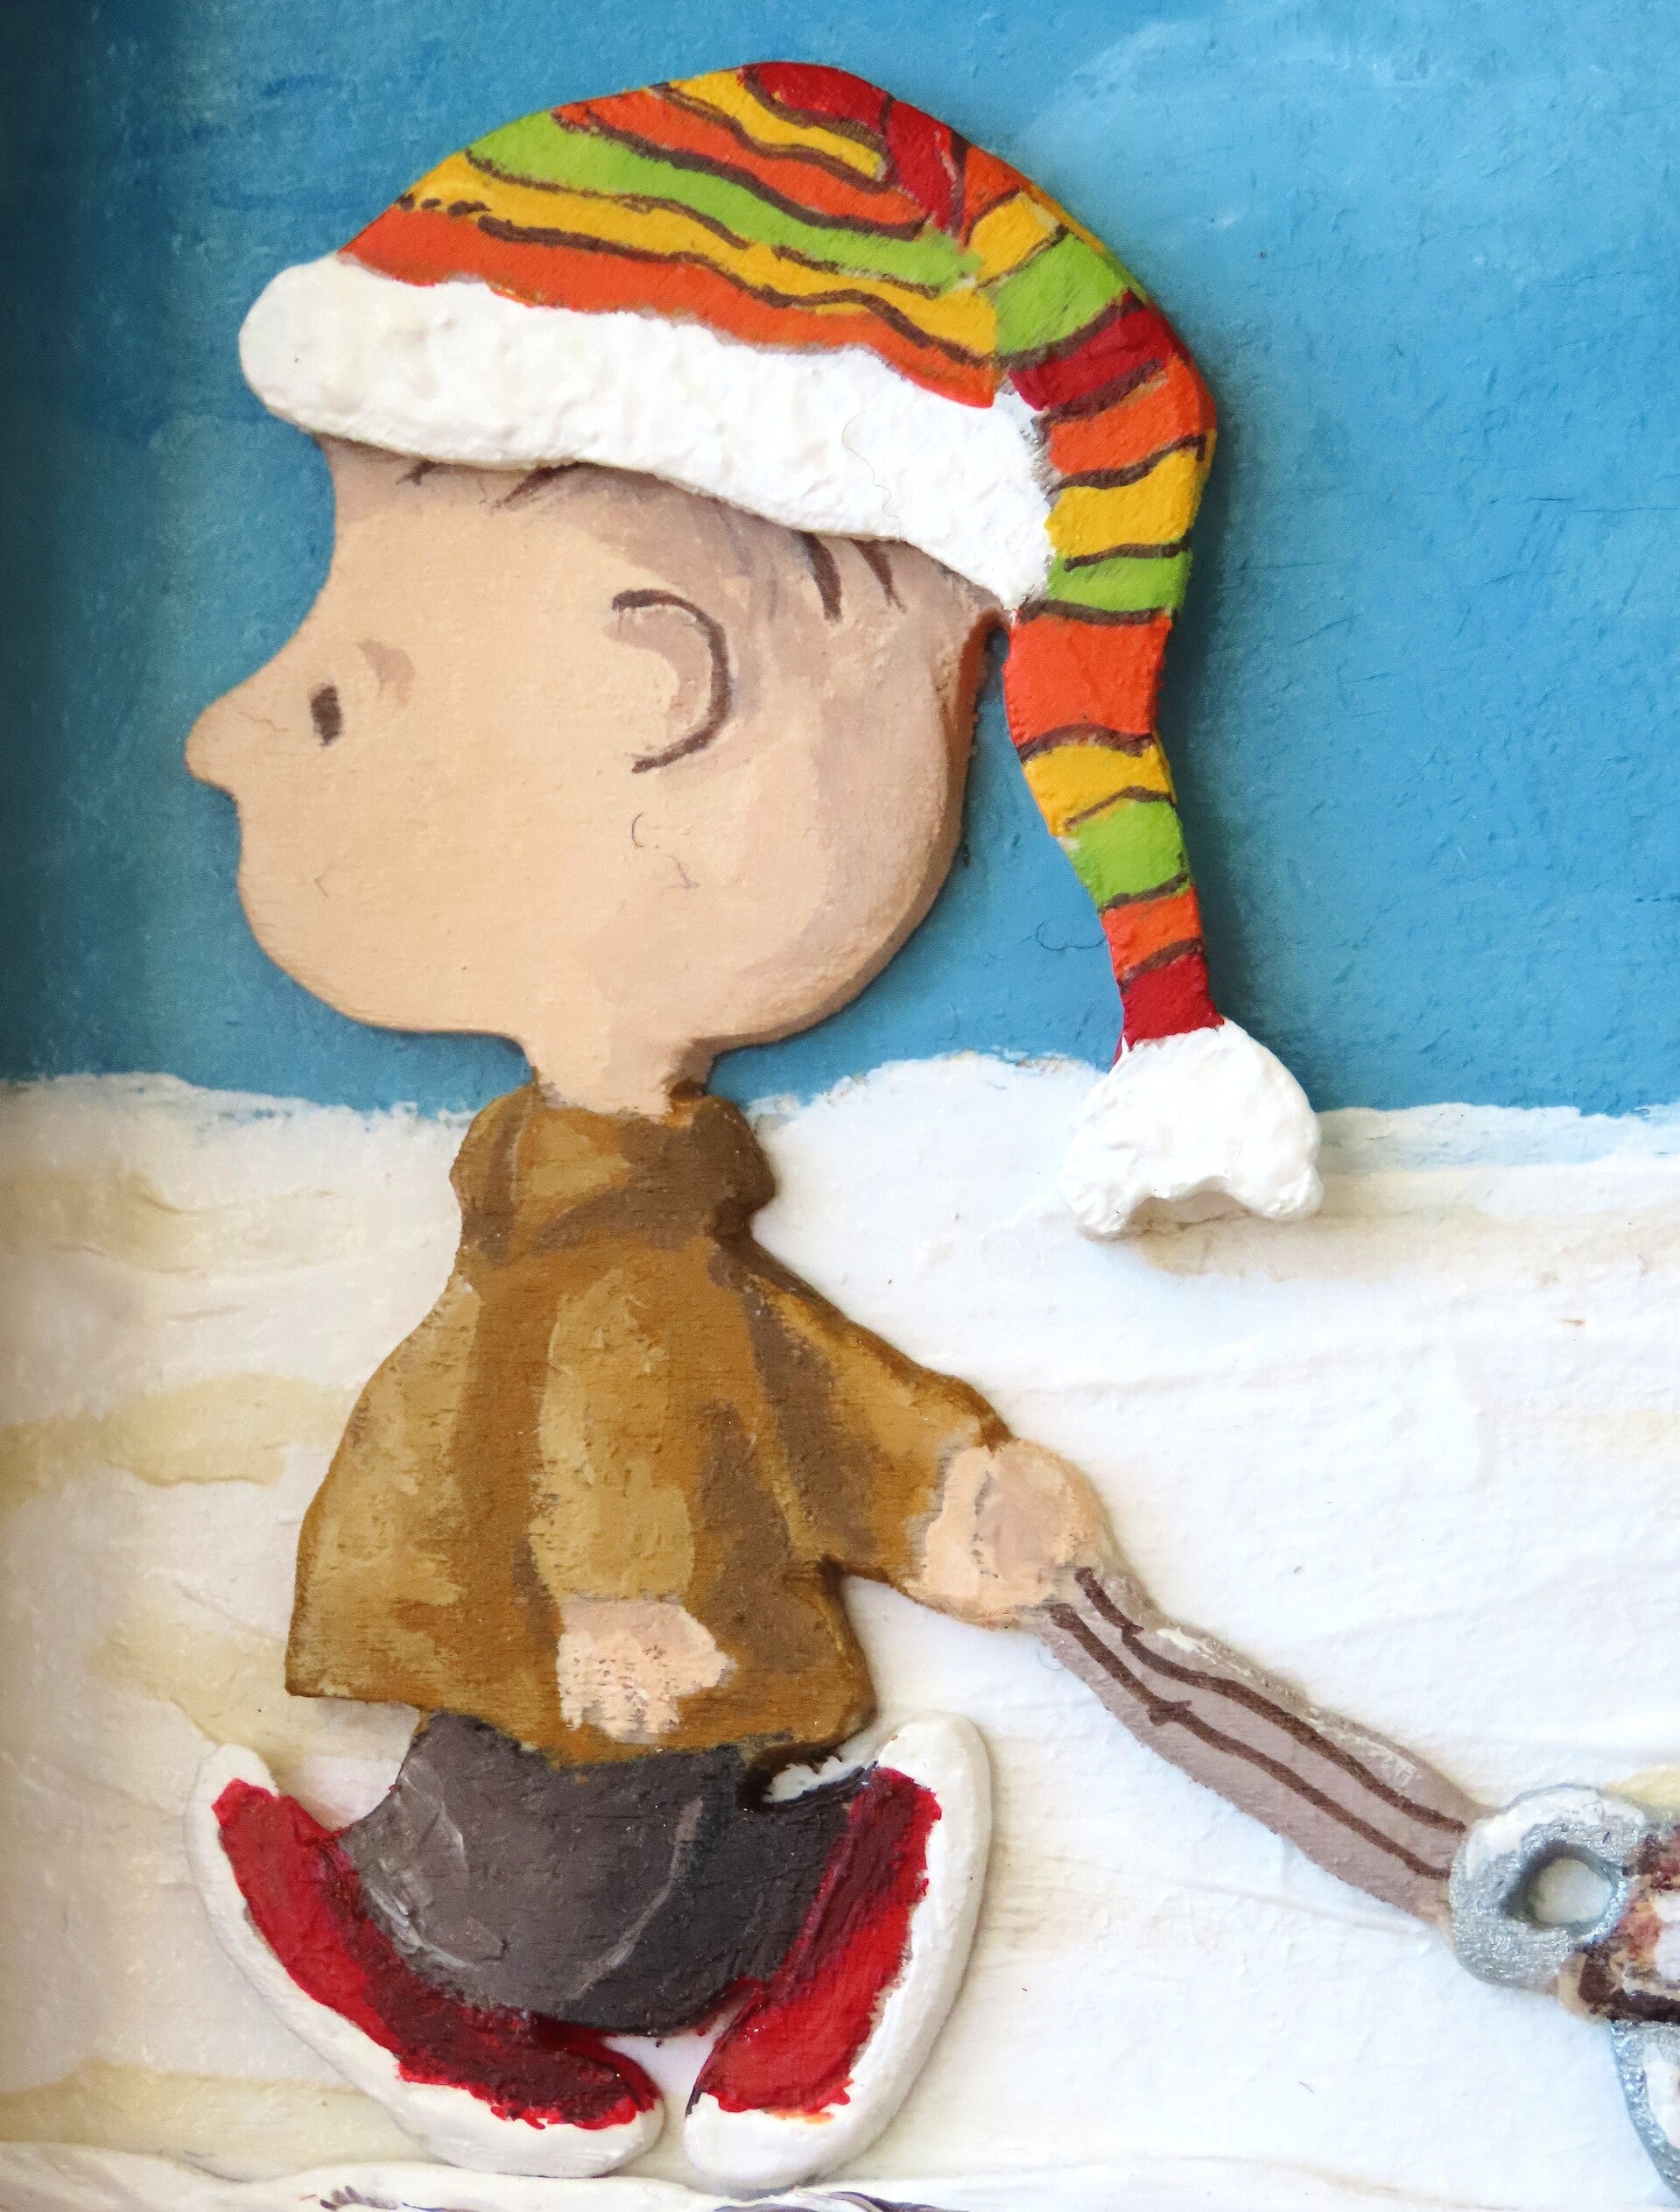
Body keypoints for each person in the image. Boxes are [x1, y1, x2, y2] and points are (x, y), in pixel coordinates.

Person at [181, 60, 1680, 2196]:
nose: (222, 731)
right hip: (615, 1757)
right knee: (545, 1841)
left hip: (600, 1792)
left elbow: (706, 1386)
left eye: (343, 688)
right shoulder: (594, 1230)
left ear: (657, 691)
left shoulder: (613, 1245)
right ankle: (754, 1930)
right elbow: (731, 1382)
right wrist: (895, 1493)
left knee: (528, 1879)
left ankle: (637, 1937)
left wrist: (925, 1492)